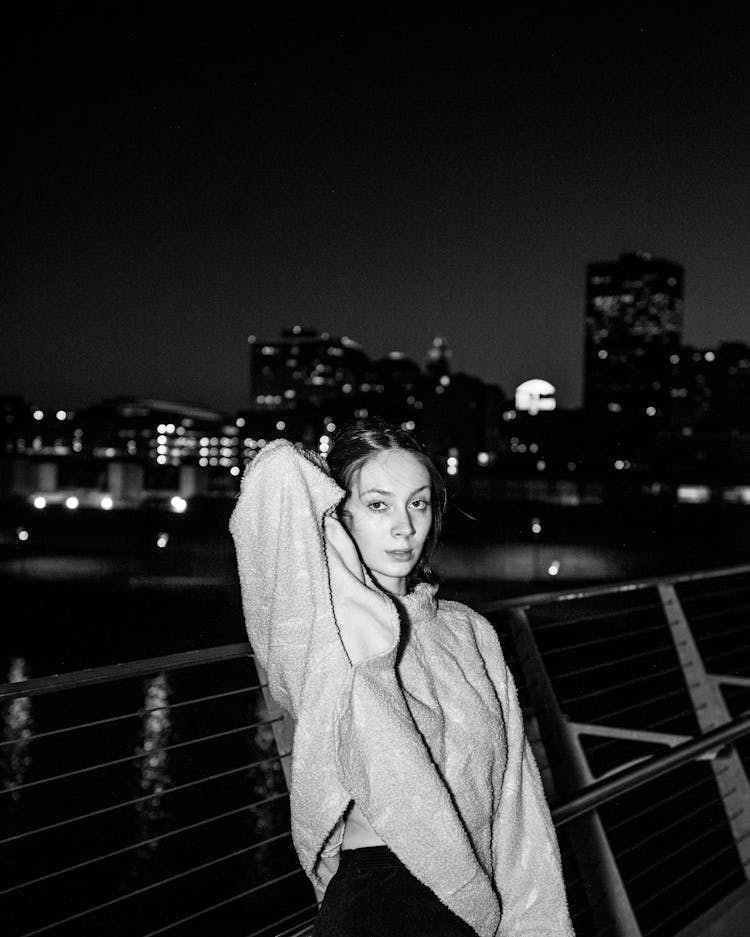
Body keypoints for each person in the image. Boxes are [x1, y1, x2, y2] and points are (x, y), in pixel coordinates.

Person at [229, 418, 574, 937]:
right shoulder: (326, 632)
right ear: (337, 515)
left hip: (474, 909)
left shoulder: (468, 632)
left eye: (418, 502)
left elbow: (516, 801)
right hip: (380, 902)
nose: (404, 526)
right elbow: (276, 475)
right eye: (377, 504)